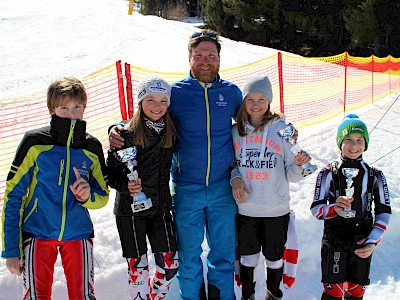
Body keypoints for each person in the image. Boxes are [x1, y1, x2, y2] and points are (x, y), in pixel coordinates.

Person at [109, 29, 243, 300]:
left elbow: (251, 123)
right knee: (189, 257)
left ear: (219, 59)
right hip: (186, 189)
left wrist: (280, 129)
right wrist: (117, 128)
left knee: (223, 256)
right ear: (189, 58)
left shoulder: (231, 93)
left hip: (221, 189)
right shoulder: (177, 93)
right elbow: (149, 113)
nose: (205, 61)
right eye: (199, 55)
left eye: (211, 55)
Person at [1, 77, 109, 300]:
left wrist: (87, 196)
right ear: (52, 109)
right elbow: (14, 195)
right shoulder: (34, 142)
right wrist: (11, 249)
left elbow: (103, 196)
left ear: (84, 108)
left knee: (83, 296)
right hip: (37, 232)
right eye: (64, 107)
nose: (72, 113)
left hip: (78, 234)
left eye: (77, 107)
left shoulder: (91, 146)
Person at [230, 75, 311, 300]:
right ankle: (248, 296)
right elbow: (231, 165)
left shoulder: (282, 130)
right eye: (250, 99)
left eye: (262, 99)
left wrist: (297, 165)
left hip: (276, 210)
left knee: (275, 259)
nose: (256, 105)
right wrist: (235, 178)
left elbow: (292, 176)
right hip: (246, 210)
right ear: (244, 102)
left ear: (270, 101)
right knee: (248, 259)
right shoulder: (236, 132)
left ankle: (272, 295)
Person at [106, 75, 179, 300]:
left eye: (162, 101)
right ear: (140, 101)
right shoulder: (124, 134)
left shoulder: (172, 130)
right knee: (137, 272)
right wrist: (127, 186)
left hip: (160, 208)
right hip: (130, 212)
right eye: (150, 100)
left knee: (170, 266)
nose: (157, 107)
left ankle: (154, 296)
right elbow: (110, 175)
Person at [310, 114, 391, 300]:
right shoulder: (327, 172)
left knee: (356, 292)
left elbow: (384, 211)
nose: (354, 145)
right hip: (334, 239)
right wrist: (333, 209)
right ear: (340, 142)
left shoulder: (375, 175)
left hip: (362, 239)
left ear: (366, 143)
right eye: (348, 140)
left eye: (359, 140)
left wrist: (373, 240)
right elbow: (316, 210)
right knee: (333, 293)